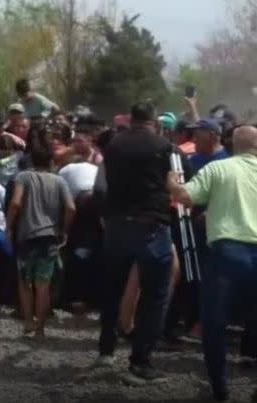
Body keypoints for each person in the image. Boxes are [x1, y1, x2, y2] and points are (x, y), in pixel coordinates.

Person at [166, 125, 257, 402]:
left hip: (227, 253)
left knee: (214, 323)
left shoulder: (218, 169)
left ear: (231, 143)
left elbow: (184, 196)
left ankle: (220, 389)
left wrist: (170, 180)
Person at [95, 102, 175, 384]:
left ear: (131, 119)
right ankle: (140, 362)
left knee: (112, 289)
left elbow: (101, 187)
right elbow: (173, 181)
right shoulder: (163, 145)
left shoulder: (114, 145)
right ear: (153, 120)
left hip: (117, 225)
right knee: (154, 294)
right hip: (150, 226)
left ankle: (106, 349)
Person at [6, 140, 75, 339]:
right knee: (43, 284)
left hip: (27, 237)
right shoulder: (59, 180)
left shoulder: (23, 176)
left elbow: (16, 203)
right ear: (52, 161)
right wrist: (64, 229)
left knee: (25, 282)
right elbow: (71, 208)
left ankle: (28, 321)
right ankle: (40, 329)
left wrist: (9, 226)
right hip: (50, 238)